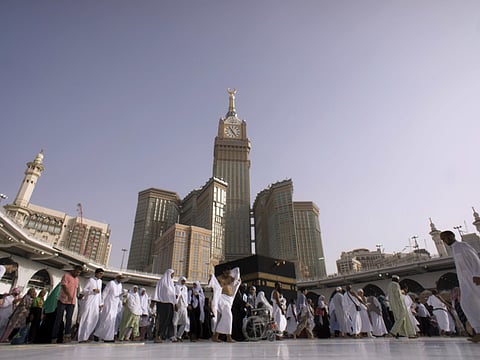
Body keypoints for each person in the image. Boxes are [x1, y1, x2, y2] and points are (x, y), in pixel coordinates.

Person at [441, 230, 480, 343]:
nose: (444, 241)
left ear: (451, 236)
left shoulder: (462, 246)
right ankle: (478, 331)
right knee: (467, 304)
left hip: (474, 279)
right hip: (466, 282)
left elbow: (475, 259)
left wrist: (478, 274)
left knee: (470, 303)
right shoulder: (454, 249)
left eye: (445, 238)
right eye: (442, 239)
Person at [208, 267, 241, 343]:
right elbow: (213, 285)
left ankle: (216, 336)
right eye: (227, 272)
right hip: (222, 299)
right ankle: (228, 337)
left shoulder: (231, 278)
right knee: (229, 315)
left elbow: (237, 278)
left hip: (229, 299)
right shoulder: (219, 278)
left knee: (225, 317)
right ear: (223, 271)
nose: (228, 273)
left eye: (229, 272)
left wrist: (238, 281)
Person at [51, 265, 82, 343]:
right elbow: (64, 286)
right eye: (77, 272)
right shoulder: (66, 276)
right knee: (58, 319)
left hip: (71, 302)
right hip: (63, 301)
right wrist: (69, 295)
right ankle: (54, 337)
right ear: (74, 270)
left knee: (69, 319)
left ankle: (67, 336)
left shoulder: (77, 279)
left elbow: (76, 289)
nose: (78, 273)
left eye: (79, 272)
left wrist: (76, 297)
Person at [94, 274, 124, 342]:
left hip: (115, 305)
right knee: (106, 320)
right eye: (119, 278)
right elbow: (104, 293)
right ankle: (98, 335)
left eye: (121, 278)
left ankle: (108, 337)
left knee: (112, 321)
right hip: (108, 304)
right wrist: (101, 302)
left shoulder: (120, 285)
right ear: (116, 277)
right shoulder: (111, 283)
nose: (120, 279)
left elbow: (119, 296)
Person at [78, 268, 104, 343]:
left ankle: (86, 337)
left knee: (93, 320)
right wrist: (92, 290)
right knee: (86, 319)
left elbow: (99, 294)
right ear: (96, 273)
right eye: (100, 273)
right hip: (89, 302)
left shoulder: (100, 281)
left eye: (102, 274)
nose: (101, 275)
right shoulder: (90, 280)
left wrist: (100, 303)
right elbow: (84, 290)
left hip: (96, 304)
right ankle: (81, 338)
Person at [152, 269, 176, 343]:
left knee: (169, 320)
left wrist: (175, 303)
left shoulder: (171, 283)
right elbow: (157, 291)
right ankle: (158, 335)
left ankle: (170, 336)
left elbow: (173, 295)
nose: (173, 275)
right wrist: (153, 300)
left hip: (170, 304)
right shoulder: (161, 281)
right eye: (172, 274)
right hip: (162, 303)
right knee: (162, 320)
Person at [173, 276, 189, 342]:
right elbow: (175, 296)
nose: (183, 282)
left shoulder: (185, 288)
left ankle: (179, 336)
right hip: (178, 305)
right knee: (175, 322)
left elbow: (186, 297)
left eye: (184, 281)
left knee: (185, 322)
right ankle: (174, 336)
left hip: (184, 306)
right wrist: (175, 304)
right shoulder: (176, 287)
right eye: (182, 281)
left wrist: (187, 305)